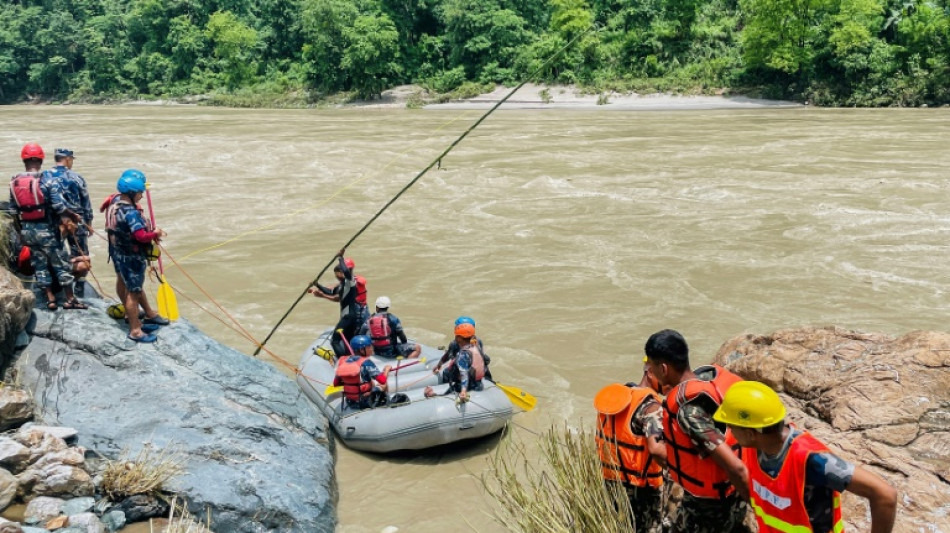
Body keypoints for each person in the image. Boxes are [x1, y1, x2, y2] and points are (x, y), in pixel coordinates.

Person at [714, 381, 897, 533]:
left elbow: (885, 495)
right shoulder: (753, 447)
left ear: (751, 432)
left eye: (732, 426)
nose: (730, 431)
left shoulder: (811, 460)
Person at [643, 329, 752, 533]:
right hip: (726, 495)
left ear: (664, 368)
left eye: (651, 366)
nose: (650, 371)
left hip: (711, 508)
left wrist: (757, 507)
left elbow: (736, 468)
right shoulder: (707, 376)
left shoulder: (689, 411)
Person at [8, 143, 86, 310]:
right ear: (41, 160)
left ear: (24, 160)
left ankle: (50, 299)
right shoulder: (47, 180)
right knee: (61, 264)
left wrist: (22, 233)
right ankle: (70, 299)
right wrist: (73, 216)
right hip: (48, 230)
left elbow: (13, 210)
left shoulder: (14, 181)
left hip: (28, 230)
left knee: (40, 265)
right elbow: (59, 206)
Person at [594, 371, 667, 533]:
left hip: (610, 486)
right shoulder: (651, 408)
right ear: (650, 373)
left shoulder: (614, 398)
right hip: (641, 493)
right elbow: (658, 450)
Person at [104, 169, 169, 342]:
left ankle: (135, 316)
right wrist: (155, 233)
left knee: (123, 282)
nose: (141, 195)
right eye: (140, 192)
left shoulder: (115, 204)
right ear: (133, 193)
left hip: (117, 252)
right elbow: (140, 236)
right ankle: (135, 329)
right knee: (134, 291)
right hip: (131, 257)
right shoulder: (131, 212)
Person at [45, 148, 93, 297]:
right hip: (76, 221)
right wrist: (89, 223)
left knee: (54, 253)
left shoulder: (45, 176)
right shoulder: (76, 178)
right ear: (68, 159)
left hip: (53, 223)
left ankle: (54, 285)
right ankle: (78, 285)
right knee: (81, 254)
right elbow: (86, 203)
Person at [309, 251, 361, 357]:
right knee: (347, 338)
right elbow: (330, 292)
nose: (336, 276)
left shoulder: (350, 282)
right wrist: (317, 284)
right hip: (347, 315)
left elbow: (347, 271)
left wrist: (340, 258)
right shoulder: (341, 286)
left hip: (349, 316)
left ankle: (342, 359)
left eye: (338, 273)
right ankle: (350, 356)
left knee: (335, 340)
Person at [428, 322, 486, 401]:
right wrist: (439, 365)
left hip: (466, 387)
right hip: (478, 384)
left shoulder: (463, 354)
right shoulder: (476, 347)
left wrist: (463, 391)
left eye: (456, 335)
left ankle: (432, 395)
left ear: (459, 338)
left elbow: (463, 374)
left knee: (434, 396)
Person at [333, 335, 391, 410]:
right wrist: (386, 370)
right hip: (365, 401)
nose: (372, 349)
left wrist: (350, 382)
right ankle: (386, 403)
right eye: (369, 346)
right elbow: (382, 380)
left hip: (351, 401)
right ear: (362, 350)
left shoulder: (342, 361)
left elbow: (336, 383)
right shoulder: (366, 362)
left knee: (370, 381)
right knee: (384, 385)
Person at [434, 316, 493, 380]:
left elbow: (447, 356)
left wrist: (439, 365)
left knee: (446, 372)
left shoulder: (454, 343)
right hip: (476, 371)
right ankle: (489, 379)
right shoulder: (478, 341)